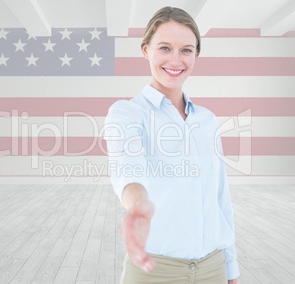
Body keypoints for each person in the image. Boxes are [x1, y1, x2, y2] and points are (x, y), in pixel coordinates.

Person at [104, 6, 240, 284]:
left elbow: (220, 196)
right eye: (165, 48)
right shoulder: (127, 113)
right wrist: (138, 206)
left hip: (213, 268)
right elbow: (128, 170)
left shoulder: (207, 120)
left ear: (196, 55)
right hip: (154, 270)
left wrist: (230, 264)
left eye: (186, 50)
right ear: (146, 50)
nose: (175, 60)